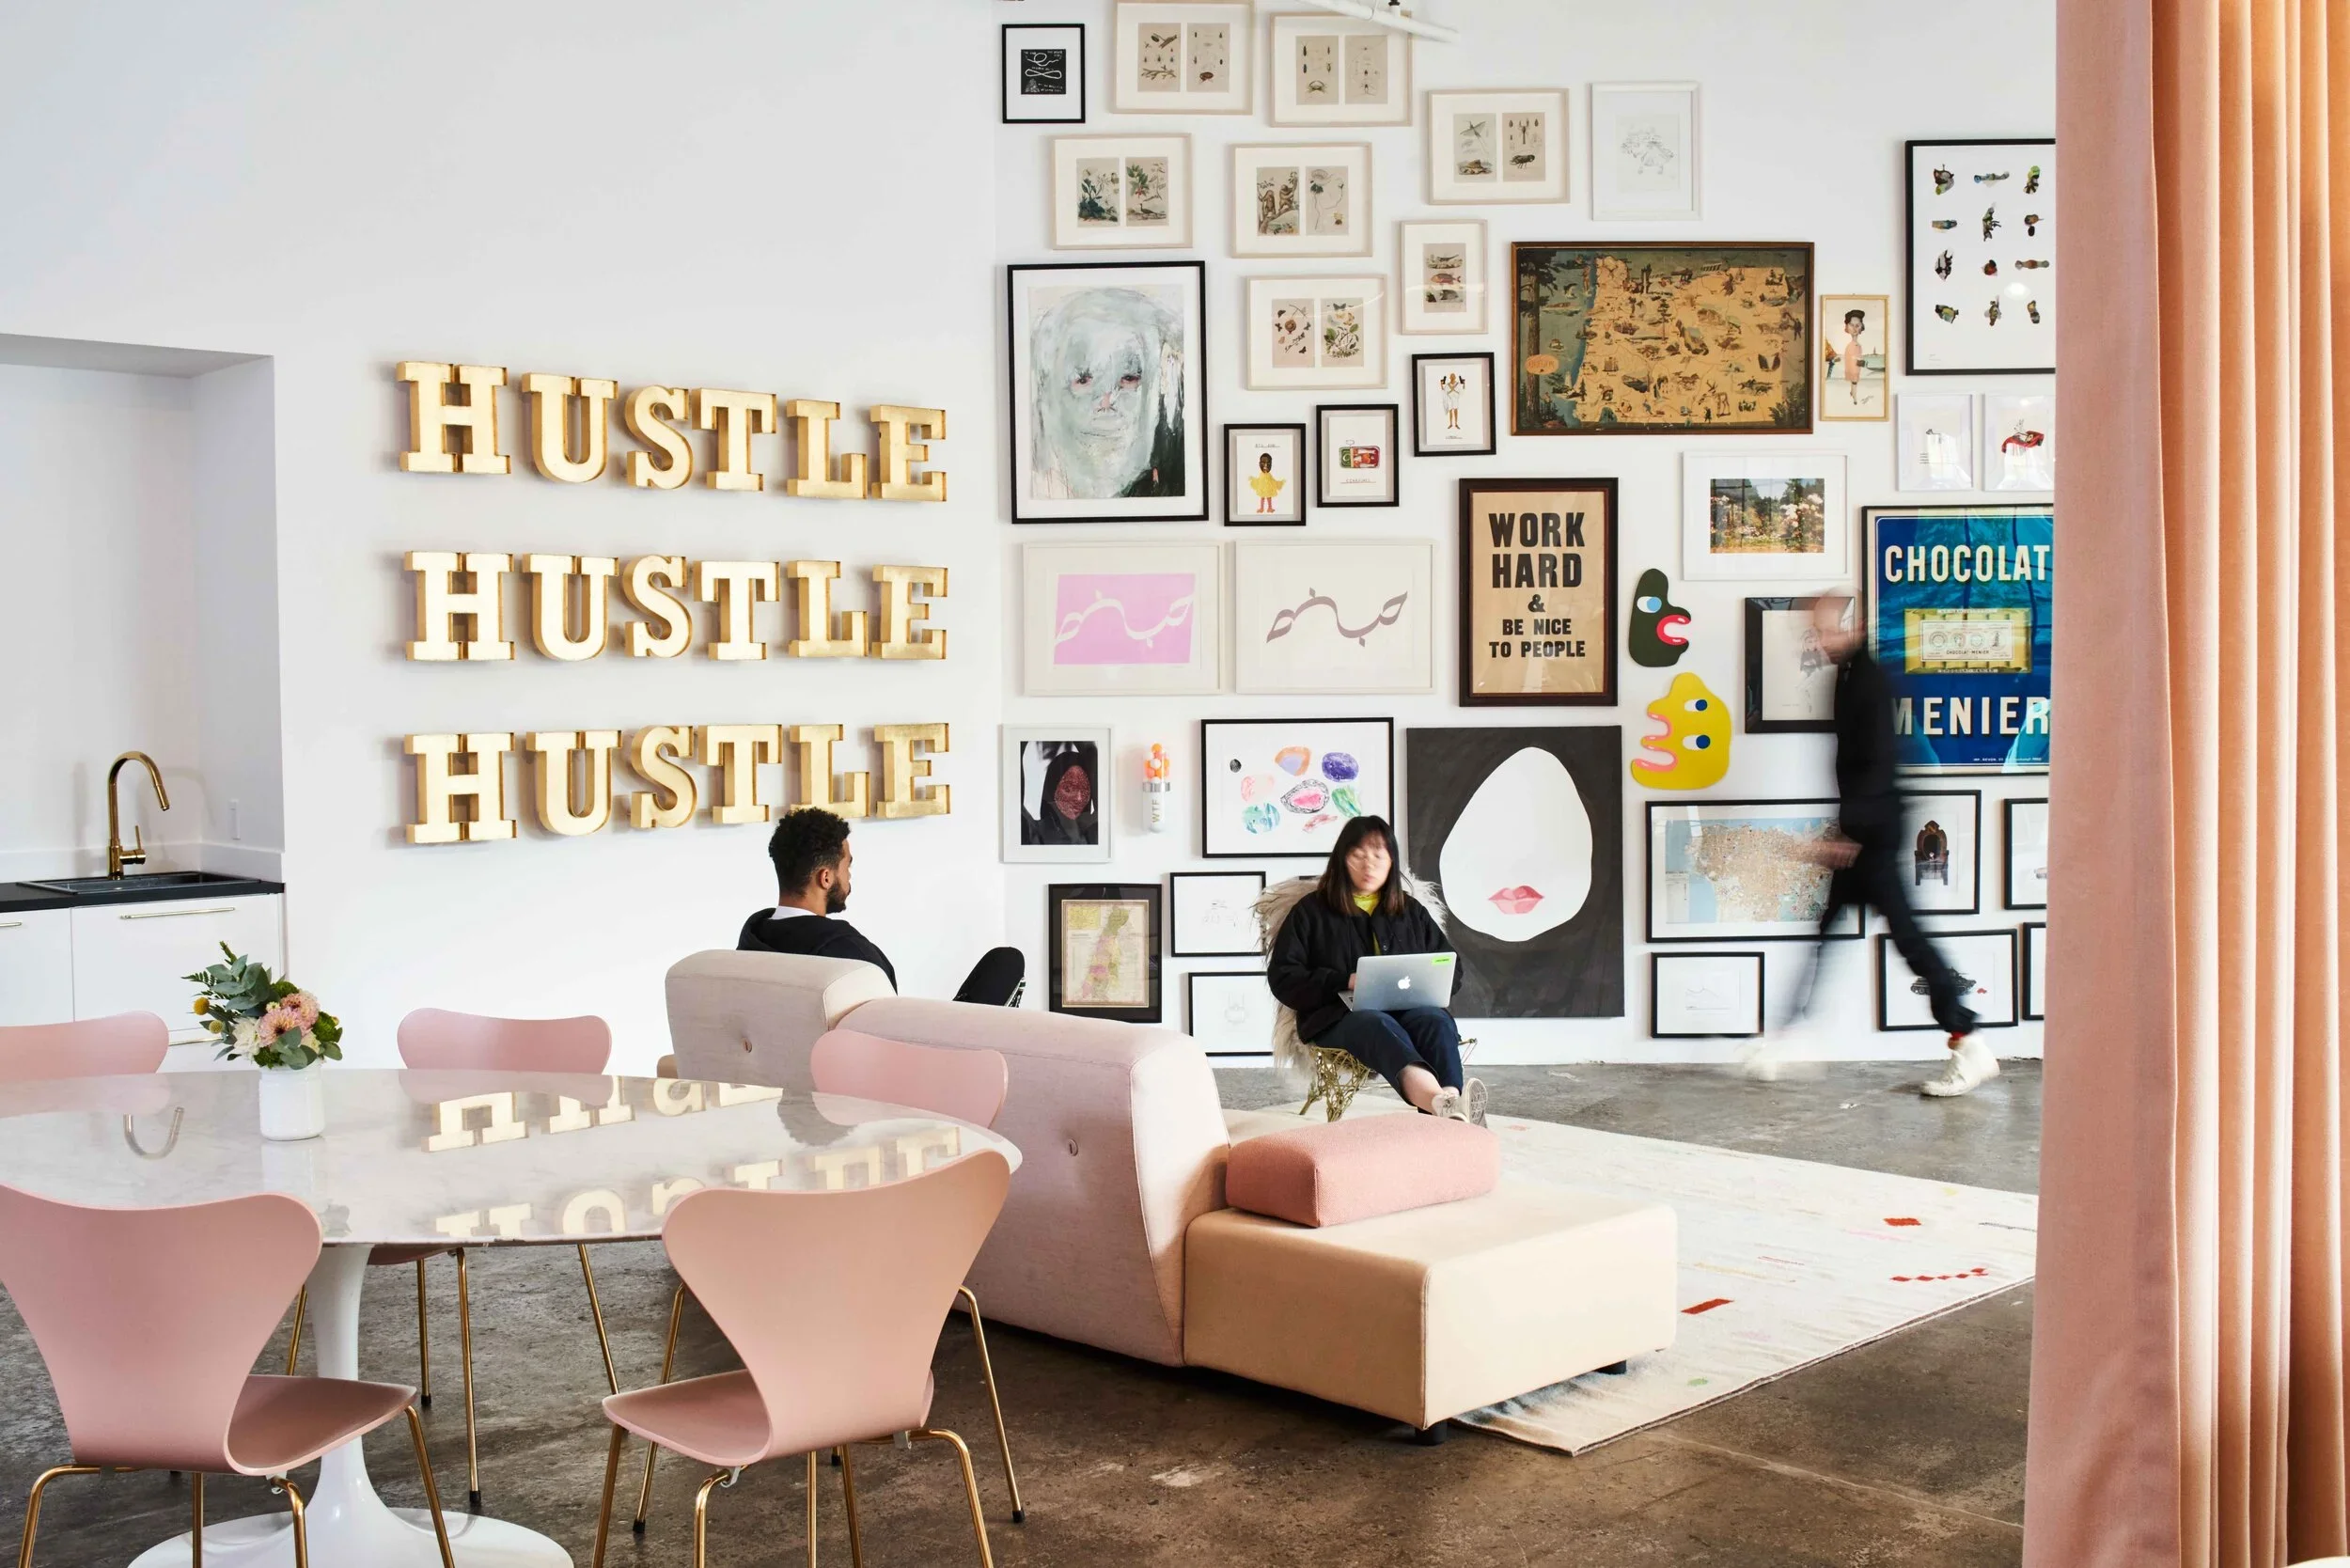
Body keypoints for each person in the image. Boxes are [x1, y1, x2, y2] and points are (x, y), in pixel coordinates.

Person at [1789, 593, 1990, 1095]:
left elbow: (1877, 765)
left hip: (1873, 837)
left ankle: (1968, 1041)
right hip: (1864, 832)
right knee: (1828, 930)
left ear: (1856, 628)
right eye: (1816, 631)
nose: (1820, 640)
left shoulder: (1868, 681)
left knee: (1909, 940)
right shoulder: (1846, 676)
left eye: (1828, 629)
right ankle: (1794, 1033)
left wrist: (1852, 836)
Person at [1267, 815, 1486, 1125]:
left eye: (1378, 856)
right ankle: (1443, 1104)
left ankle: (1451, 1103)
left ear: (1391, 862)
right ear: (1341, 860)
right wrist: (1343, 981)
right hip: (1337, 1016)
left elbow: (1452, 968)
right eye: (1358, 855)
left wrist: (1431, 982)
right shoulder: (1310, 912)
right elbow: (1284, 977)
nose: (1368, 865)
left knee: (1436, 1021)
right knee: (1377, 1025)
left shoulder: (1411, 911)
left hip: (1409, 1010)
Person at [740, 807, 1026, 1006]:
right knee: (1006, 963)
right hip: (876, 1071)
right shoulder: (848, 954)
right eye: (847, 866)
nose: (849, 876)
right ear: (825, 878)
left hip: (787, 1070)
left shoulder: (750, 944)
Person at [1020, 746, 1097, 847]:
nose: (1079, 798)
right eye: (1068, 788)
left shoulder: (1093, 834)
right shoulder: (1033, 833)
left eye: (1084, 790)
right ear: (1052, 789)